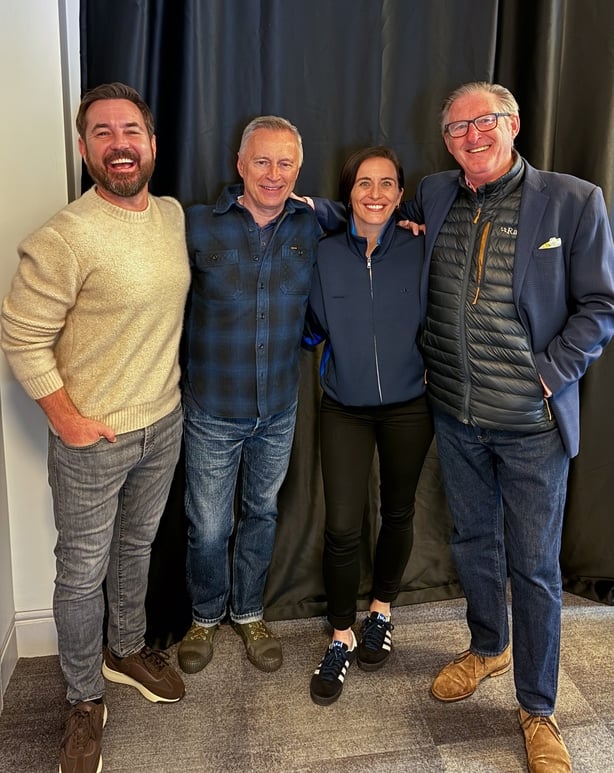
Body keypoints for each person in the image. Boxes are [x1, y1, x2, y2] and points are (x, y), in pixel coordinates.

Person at [402, 82, 614, 772]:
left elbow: (600, 305)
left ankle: (538, 706)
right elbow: (373, 215)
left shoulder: (573, 200)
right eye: (456, 127)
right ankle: (488, 645)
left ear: (513, 123)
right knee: (472, 542)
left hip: (531, 426)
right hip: (457, 418)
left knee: (535, 566)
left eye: (483, 121)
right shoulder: (434, 195)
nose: (471, 135)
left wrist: (550, 373)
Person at [1, 82, 189, 773]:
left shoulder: (170, 216)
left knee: (137, 547)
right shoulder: (64, 236)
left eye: (130, 131)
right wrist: (68, 420)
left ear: (152, 144)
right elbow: (20, 338)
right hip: (94, 440)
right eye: (103, 133)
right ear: (84, 149)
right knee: (81, 574)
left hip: (164, 423)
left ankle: (127, 647)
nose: (119, 144)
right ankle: (84, 699)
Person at [177, 116, 322, 676]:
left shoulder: (312, 225)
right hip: (212, 410)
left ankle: (250, 612)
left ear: (298, 170)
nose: (273, 173)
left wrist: (410, 229)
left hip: (279, 409)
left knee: (261, 514)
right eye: (262, 161)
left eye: (285, 163)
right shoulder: (193, 226)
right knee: (209, 526)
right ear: (240, 165)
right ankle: (205, 617)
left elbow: (371, 225)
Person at [302, 147, 433, 706]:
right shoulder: (323, 254)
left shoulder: (422, 248)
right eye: (363, 184)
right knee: (342, 527)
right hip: (345, 407)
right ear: (348, 192)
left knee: (398, 510)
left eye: (386, 184)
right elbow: (309, 328)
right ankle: (340, 633)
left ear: (401, 194)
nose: (375, 193)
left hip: (411, 405)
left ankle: (381, 609)